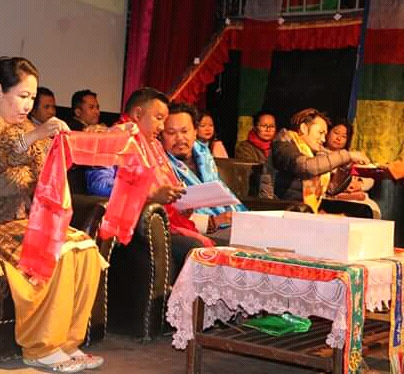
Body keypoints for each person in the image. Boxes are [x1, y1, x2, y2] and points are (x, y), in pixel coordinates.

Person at [0, 56, 104, 373]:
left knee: (85, 247)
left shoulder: (29, 130)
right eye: (23, 96)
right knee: (56, 250)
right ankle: (40, 348)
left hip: (22, 220)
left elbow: (50, 170)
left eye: (32, 97)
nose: (28, 105)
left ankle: (67, 343)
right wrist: (34, 136)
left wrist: (95, 139)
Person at [84, 88, 212, 282]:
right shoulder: (113, 138)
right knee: (196, 250)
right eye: (158, 118)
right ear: (137, 114)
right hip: (132, 227)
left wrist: (178, 203)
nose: (161, 126)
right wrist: (149, 194)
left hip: (158, 224)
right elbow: (98, 185)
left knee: (203, 249)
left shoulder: (154, 146)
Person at [161, 102, 247, 244]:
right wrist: (212, 221)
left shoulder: (203, 153)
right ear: (160, 135)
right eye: (171, 133)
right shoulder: (159, 164)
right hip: (196, 230)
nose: (180, 138)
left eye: (184, 131)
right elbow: (169, 214)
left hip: (229, 221)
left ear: (195, 132)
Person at [259, 108, 368, 212]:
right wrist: (347, 155)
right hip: (277, 209)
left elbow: (331, 189)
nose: (323, 139)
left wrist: (345, 166)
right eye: (320, 133)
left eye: (325, 135)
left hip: (299, 209)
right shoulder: (283, 145)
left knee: (362, 211)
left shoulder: (313, 152)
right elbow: (306, 167)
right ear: (304, 128)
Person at [325, 119, 381, 218]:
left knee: (373, 208)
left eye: (344, 136)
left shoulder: (352, 155)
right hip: (333, 197)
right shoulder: (320, 154)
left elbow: (369, 176)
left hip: (357, 196)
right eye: (336, 133)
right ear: (327, 132)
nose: (339, 138)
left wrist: (360, 184)